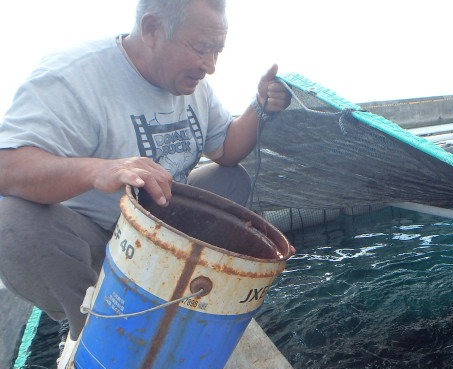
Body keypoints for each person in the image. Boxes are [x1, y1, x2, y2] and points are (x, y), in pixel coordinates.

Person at [0, 0, 291, 340]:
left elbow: (226, 151)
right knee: (9, 220)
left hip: (164, 231)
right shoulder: (73, 75)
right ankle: (96, 328)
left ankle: (184, 290)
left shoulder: (193, 83)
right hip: (96, 242)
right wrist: (99, 170)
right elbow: (8, 167)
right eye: (201, 48)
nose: (210, 66)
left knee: (229, 180)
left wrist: (260, 106)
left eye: (217, 52)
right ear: (152, 29)